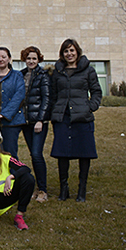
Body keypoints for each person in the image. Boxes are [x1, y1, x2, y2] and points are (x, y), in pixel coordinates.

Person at [50, 38, 103, 202]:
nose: (69, 54)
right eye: (66, 51)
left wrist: (90, 107)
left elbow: (96, 92)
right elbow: (53, 94)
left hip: (82, 117)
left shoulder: (88, 70)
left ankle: (82, 190)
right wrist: (54, 111)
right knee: (62, 154)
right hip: (62, 117)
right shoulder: (57, 71)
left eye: (72, 50)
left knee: (84, 153)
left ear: (77, 52)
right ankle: (64, 189)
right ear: (62, 54)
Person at [20, 45, 52, 203]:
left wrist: (40, 119)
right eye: (28, 58)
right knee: (33, 154)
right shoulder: (22, 75)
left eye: (34, 58)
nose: (31, 61)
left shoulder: (43, 75)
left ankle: (43, 190)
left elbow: (46, 99)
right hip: (26, 121)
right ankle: (37, 187)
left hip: (38, 121)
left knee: (37, 154)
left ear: (39, 59)